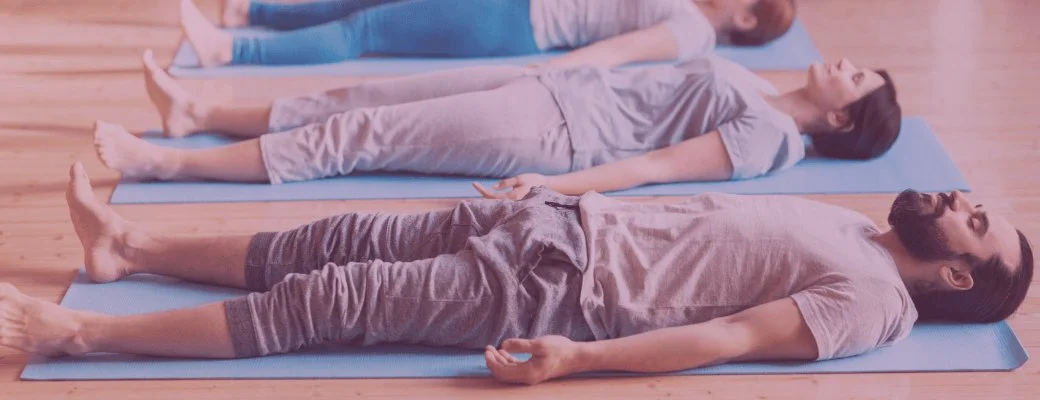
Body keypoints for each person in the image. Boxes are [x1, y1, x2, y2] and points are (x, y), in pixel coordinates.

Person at [0, 163, 1032, 385]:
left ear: (955, 280)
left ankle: (78, 334)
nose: (959, 199)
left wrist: (578, 357)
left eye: (974, 224)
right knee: (330, 238)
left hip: (557, 287)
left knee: (327, 302)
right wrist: (563, 189)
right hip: (555, 220)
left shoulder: (875, 303)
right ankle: (130, 251)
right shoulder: (860, 229)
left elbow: (730, 339)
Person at [94, 50, 900, 197]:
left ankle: (164, 165)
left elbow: (659, 168)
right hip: (550, 86)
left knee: (357, 139)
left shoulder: (769, 139)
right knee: (357, 98)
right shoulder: (761, 88)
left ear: (840, 117)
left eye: (857, 76)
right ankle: (197, 112)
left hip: (549, 132)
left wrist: (556, 186)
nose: (846, 61)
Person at [180, 0, 796, 67]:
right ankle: (253, 13)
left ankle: (230, 51)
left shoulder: (691, 31)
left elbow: (617, 51)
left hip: (517, 24)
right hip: (516, 5)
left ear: (745, 18)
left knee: (365, 30)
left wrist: (543, 76)